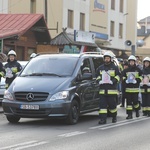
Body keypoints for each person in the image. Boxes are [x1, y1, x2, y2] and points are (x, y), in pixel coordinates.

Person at [96, 51, 120, 124]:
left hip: (111, 90)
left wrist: (113, 81)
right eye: (105, 58)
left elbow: (118, 76)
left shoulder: (115, 68)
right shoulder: (100, 68)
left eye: (108, 58)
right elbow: (97, 77)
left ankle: (114, 117)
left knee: (112, 106)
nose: (106, 59)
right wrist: (99, 81)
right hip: (102, 90)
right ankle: (103, 119)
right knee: (102, 106)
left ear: (110, 59)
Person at [122, 55, 142, 119]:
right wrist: (126, 80)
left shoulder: (138, 70)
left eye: (132, 61)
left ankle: (137, 111)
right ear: (129, 62)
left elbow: (141, 77)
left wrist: (137, 81)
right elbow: (123, 77)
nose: (131, 63)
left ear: (134, 62)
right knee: (129, 103)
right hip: (128, 89)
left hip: (135, 89)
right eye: (130, 62)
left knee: (136, 102)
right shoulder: (126, 70)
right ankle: (129, 115)